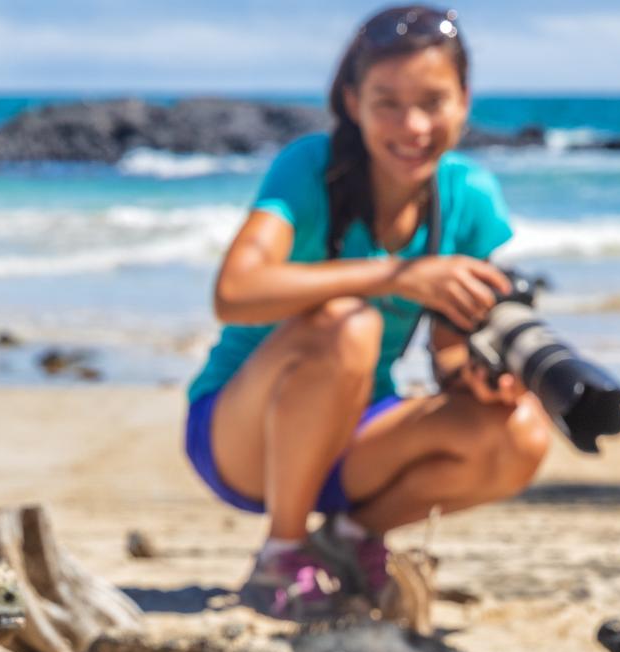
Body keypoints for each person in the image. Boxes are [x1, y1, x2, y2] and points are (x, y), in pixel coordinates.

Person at [183, 5, 553, 620]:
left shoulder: (469, 198)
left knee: (521, 432)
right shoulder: (310, 167)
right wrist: (401, 276)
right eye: (388, 102)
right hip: (242, 434)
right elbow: (235, 290)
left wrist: (479, 380)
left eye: (432, 101)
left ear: (463, 101)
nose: (411, 125)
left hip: (358, 439)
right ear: (353, 102)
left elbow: (448, 354)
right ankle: (281, 551)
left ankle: (350, 540)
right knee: (351, 324)